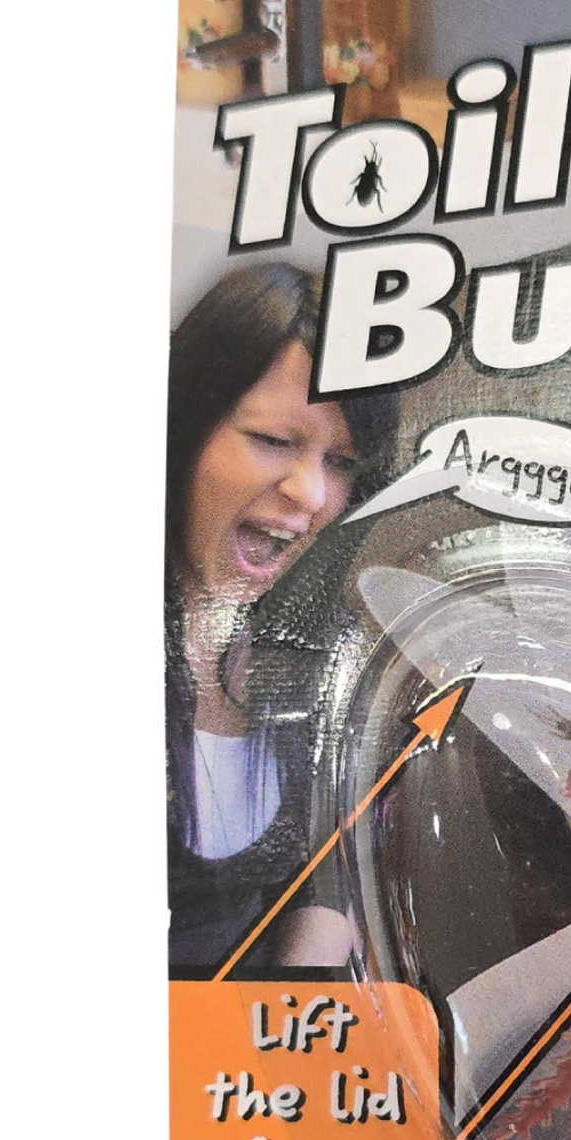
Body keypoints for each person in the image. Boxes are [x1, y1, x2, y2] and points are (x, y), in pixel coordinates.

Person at [166, 263, 396, 971]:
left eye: (342, 462)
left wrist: (306, 965)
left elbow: (321, 865)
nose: (313, 494)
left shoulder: (308, 652)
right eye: (273, 440)